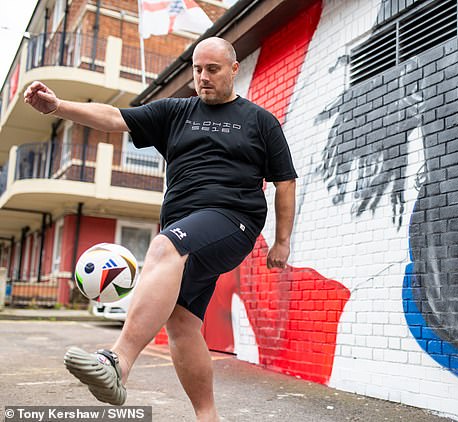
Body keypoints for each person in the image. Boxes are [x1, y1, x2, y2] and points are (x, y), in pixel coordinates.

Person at [23, 37, 297, 421]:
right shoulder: (176, 112)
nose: (203, 77)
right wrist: (57, 106)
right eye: (198, 69)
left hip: (233, 217)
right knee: (182, 322)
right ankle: (208, 416)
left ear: (234, 69)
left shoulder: (260, 121)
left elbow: (285, 181)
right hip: (186, 225)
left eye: (213, 69)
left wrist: (282, 241)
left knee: (163, 248)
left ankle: (117, 362)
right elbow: (115, 118)